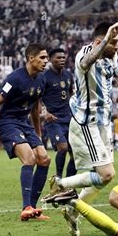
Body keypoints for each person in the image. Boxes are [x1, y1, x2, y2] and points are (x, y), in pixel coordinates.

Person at [44, 21, 118, 236]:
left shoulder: (111, 58)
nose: (117, 46)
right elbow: (88, 61)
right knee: (106, 174)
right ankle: (61, 184)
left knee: (106, 175)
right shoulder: (84, 54)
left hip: (103, 122)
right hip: (86, 121)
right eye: (113, 42)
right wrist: (107, 38)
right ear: (100, 40)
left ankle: (73, 209)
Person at [0, 43, 51, 221]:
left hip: (25, 123)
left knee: (44, 159)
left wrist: (38, 133)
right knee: (30, 158)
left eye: (46, 58)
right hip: (7, 123)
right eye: (42, 58)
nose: (46, 61)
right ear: (31, 58)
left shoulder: (42, 79)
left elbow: (35, 107)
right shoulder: (14, 78)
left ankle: (32, 208)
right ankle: (26, 207)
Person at [42, 48, 77, 179]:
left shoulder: (68, 75)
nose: (62, 60)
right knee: (62, 148)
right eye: (58, 58)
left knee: (75, 154)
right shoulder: (44, 77)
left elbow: (71, 93)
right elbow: (37, 98)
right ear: (50, 60)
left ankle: (69, 182)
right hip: (54, 119)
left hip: (69, 118)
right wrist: (45, 112)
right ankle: (58, 178)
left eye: (63, 58)